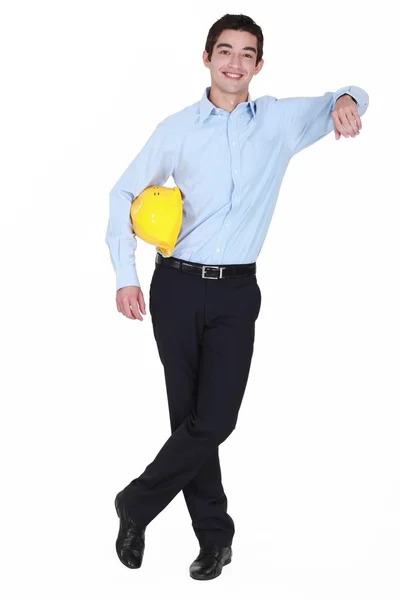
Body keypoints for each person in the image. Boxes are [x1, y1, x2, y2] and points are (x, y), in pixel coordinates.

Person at [105, 13, 369, 581]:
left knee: (215, 419)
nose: (234, 62)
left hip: (235, 293)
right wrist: (124, 275)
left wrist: (348, 99)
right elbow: (122, 192)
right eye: (224, 51)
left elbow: (353, 93)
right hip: (174, 287)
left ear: (259, 64)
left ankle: (137, 502)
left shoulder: (277, 121)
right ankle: (216, 541)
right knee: (190, 418)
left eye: (247, 54)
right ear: (206, 58)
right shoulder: (177, 128)